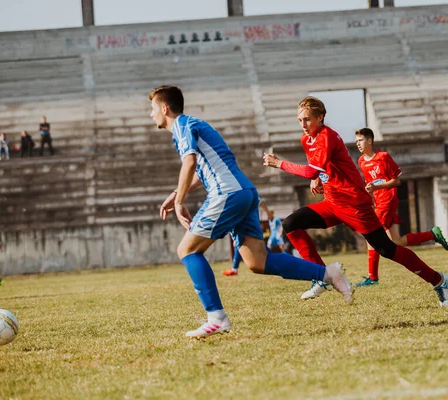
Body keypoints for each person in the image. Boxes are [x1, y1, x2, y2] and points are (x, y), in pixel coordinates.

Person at [149, 85, 354, 338]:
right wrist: (176, 193)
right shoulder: (197, 124)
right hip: (244, 192)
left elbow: (189, 162)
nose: (151, 115)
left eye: (152, 109)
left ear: (164, 108)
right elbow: (211, 165)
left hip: (227, 194)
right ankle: (327, 273)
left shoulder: (180, 125)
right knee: (258, 262)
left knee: (187, 250)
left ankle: (216, 317)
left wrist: (179, 201)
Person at [263, 96, 448, 306]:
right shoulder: (306, 140)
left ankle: (439, 280)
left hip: (354, 204)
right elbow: (317, 168)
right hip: (332, 203)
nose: (303, 125)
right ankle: (320, 276)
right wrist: (317, 178)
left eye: (307, 119)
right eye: (300, 120)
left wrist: (280, 163)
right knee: (291, 223)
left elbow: (309, 170)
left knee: (387, 249)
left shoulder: (327, 137)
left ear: (321, 117)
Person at [355, 127, 448, 287]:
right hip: (378, 202)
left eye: (361, 140)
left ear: (369, 141)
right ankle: (432, 234)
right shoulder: (361, 161)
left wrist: (377, 188)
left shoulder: (383, 157)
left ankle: (373, 277)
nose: (358, 143)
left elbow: (397, 181)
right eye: (356, 141)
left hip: (388, 200)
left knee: (371, 234)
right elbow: (370, 183)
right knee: (397, 241)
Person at [222, 199, 270, 277]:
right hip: (247, 225)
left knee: (254, 246)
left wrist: (268, 213)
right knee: (240, 245)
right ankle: (234, 268)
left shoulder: (246, 193)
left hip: (249, 226)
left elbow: (261, 201)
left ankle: (234, 268)